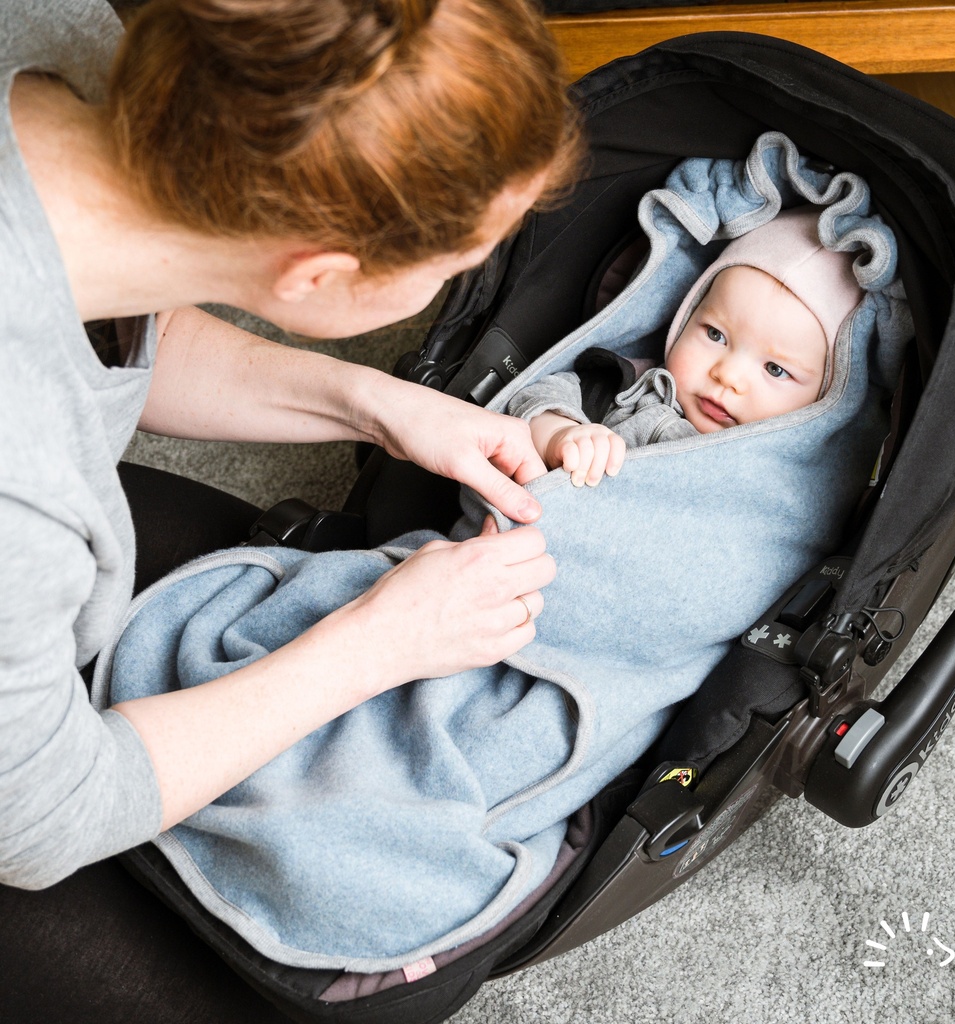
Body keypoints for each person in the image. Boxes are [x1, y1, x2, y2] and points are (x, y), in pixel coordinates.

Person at [0, 0, 580, 1019]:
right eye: (450, 272)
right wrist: (381, 639)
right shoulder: (21, 493)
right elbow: (42, 818)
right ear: (317, 274)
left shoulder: (90, 53)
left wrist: (370, 402)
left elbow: (113, 317)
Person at [509, 206, 863, 487]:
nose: (727, 376)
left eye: (775, 369)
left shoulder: (798, 482)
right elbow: (535, 396)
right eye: (715, 335)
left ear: (824, 400)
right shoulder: (627, 388)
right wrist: (560, 433)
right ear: (686, 316)